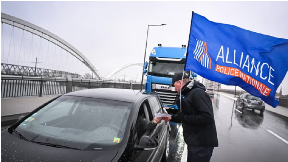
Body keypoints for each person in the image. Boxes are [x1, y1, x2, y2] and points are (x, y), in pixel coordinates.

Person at [166, 72, 218, 162]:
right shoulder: (190, 93)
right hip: (196, 142)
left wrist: (183, 117)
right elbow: (189, 114)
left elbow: (207, 117)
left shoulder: (197, 93)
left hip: (201, 144)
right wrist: (171, 117)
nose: (175, 89)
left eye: (175, 85)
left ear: (179, 82)